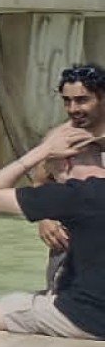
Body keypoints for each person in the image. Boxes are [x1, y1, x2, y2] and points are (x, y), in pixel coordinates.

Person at [0, 121, 105, 339]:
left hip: (88, 319)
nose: (50, 176)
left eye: (49, 167)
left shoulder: (74, 196)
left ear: (65, 162)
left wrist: (42, 151)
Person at [31, 63, 105, 294]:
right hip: (68, 249)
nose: (73, 108)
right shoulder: (57, 139)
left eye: (82, 100)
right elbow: (40, 183)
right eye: (67, 101)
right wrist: (44, 219)